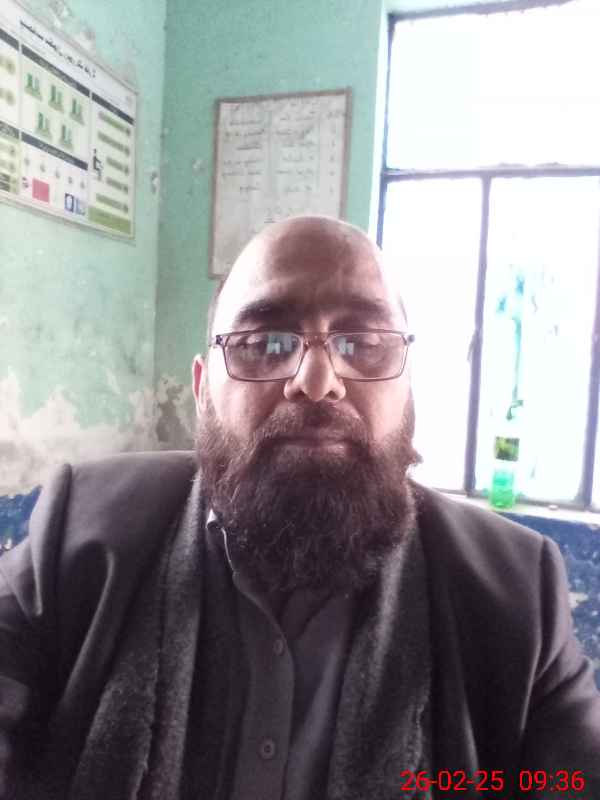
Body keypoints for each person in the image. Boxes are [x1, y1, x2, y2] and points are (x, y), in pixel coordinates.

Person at [1, 216, 599, 800]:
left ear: (408, 390)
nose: (317, 381)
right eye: (265, 344)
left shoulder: (515, 594)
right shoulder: (81, 533)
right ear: (203, 389)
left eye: (363, 344)